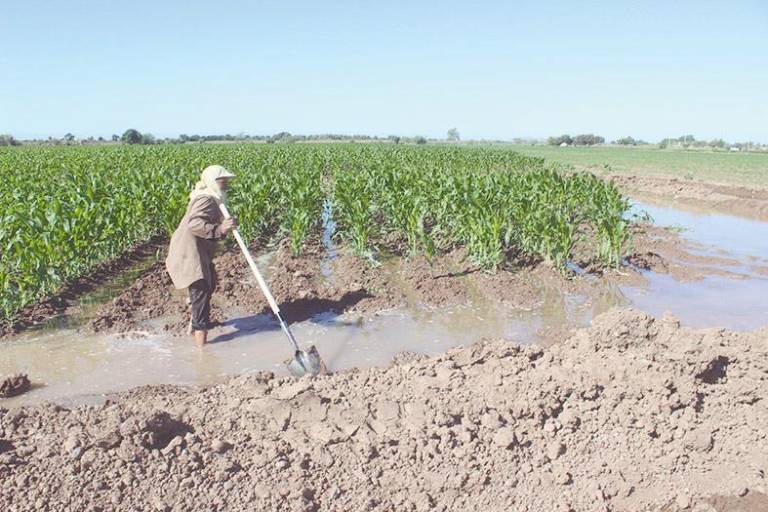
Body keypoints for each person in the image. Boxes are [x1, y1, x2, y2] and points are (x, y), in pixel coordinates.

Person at [166, 165, 237, 346]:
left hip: (198, 251)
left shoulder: (212, 197)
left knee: (210, 282)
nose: (227, 183)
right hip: (189, 253)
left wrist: (225, 224)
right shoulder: (206, 199)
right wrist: (221, 228)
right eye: (223, 180)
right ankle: (201, 351)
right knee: (201, 292)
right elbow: (195, 224)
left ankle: (194, 324)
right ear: (213, 181)